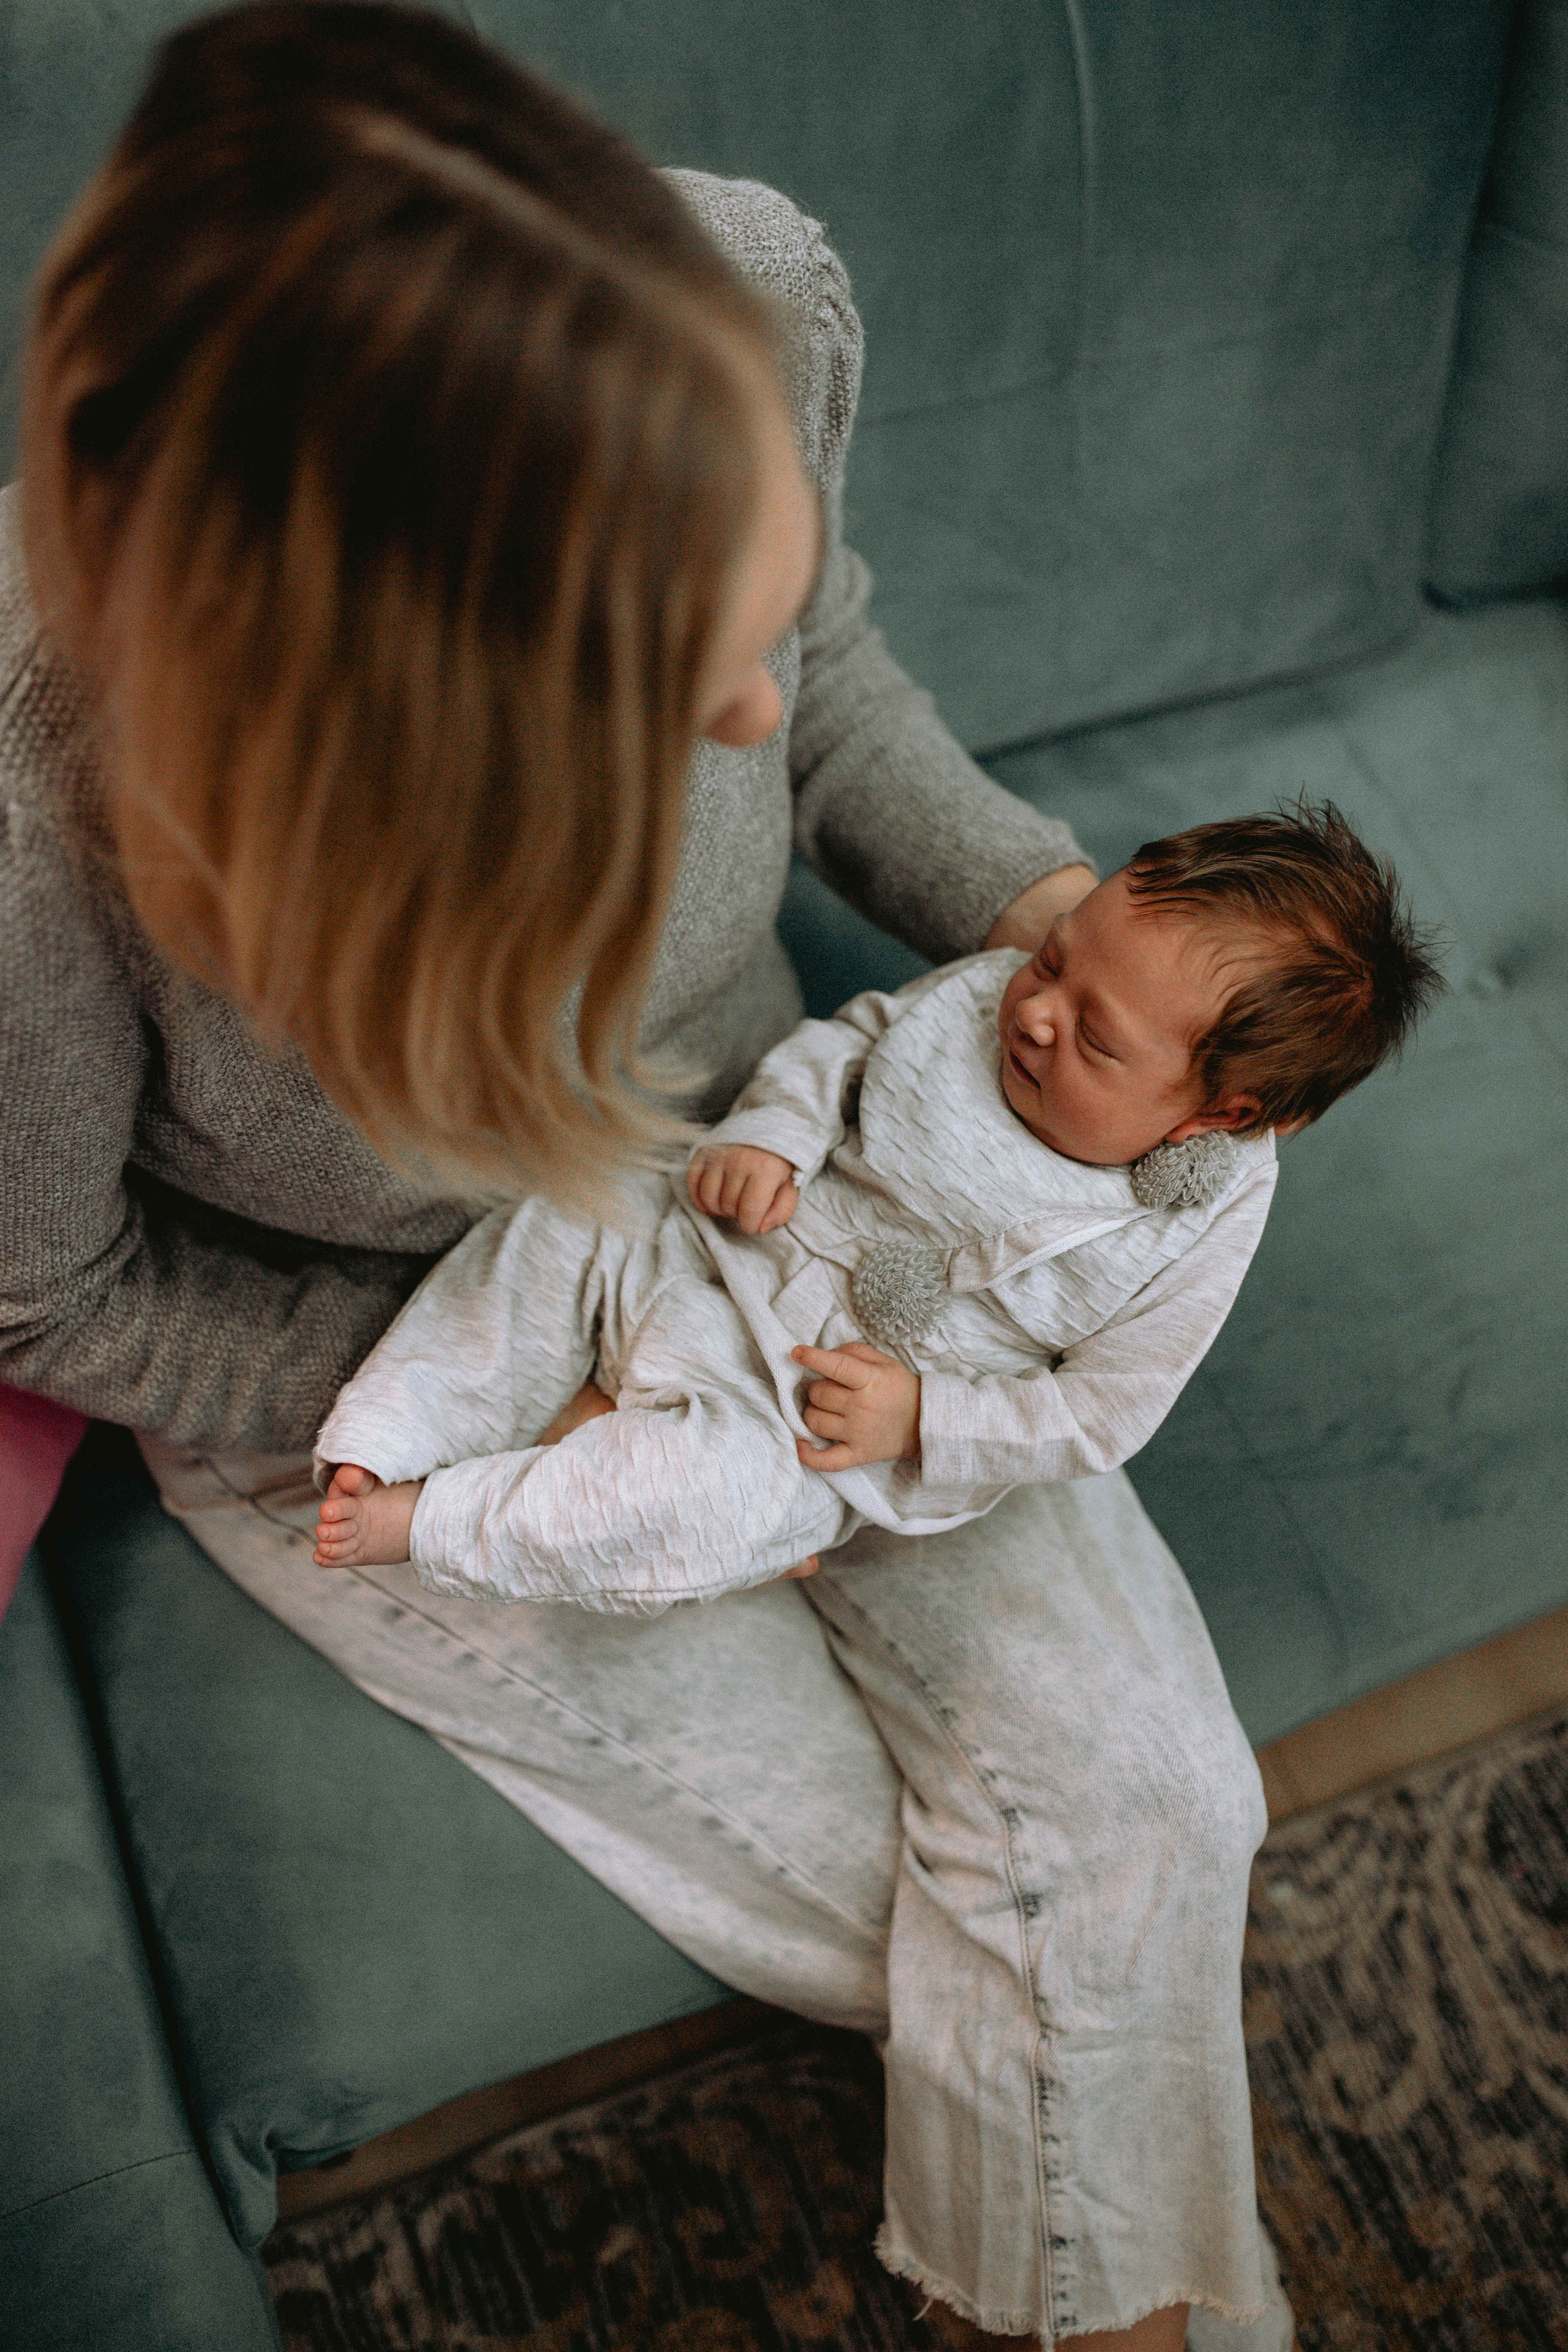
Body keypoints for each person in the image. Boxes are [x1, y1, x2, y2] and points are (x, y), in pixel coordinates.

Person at [0, 3, 1311, 2342]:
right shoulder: (43, 772)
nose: (742, 727)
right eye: (669, 694)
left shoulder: (740, 297)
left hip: (799, 1218)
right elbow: (42, 1286)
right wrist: (517, 1396)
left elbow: (844, 701)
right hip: (400, 1357)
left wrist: (1077, 955)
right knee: (978, 1922)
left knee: (1155, 1822)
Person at [310, 809, 1440, 1604]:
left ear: (1216, 1118)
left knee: (720, 1499)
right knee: (564, 1213)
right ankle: (394, 1430)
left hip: (809, 1413)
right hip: (710, 1244)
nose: (1037, 1013)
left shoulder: (1190, 1221)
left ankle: (443, 1524)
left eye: (1096, 1038)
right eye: (1054, 961)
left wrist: (926, 1423)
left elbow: (1103, 1415)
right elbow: (852, 1044)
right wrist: (771, 1135)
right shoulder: (995, 998)